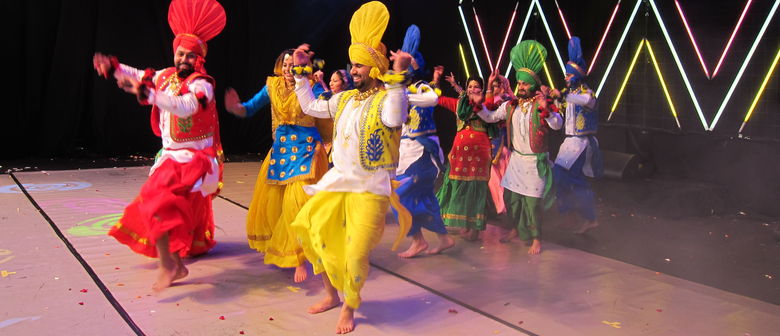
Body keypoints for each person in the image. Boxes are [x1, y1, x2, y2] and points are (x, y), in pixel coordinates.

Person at [288, 2, 413, 333]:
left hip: (370, 189)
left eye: (360, 65)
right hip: (338, 182)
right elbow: (312, 106)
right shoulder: (343, 99)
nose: (354, 70)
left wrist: (398, 79)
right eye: (352, 64)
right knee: (315, 235)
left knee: (356, 252)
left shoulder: (386, 99)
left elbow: (396, 117)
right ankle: (331, 294)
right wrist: (301, 73)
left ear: (374, 67)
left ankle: (349, 305)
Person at [95, 0, 226, 290]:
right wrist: (114, 68)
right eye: (180, 53)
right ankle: (175, 262)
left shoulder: (201, 84)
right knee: (156, 206)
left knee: (158, 202)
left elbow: (185, 107)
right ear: (174, 52)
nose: (184, 60)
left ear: (199, 59)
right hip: (170, 156)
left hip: (195, 158)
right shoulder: (165, 76)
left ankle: (171, 263)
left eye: (191, 56)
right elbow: (138, 74)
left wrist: (147, 94)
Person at [223, 49, 329, 283]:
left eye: (293, 65)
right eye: (285, 65)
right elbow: (249, 107)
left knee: (296, 204)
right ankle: (288, 248)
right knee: (277, 206)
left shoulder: (312, 85)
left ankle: (298, 259)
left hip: (307, 150)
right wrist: (237, 108)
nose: (288, 69)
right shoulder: (272, 86)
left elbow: (327, 110)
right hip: (280, 153)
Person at [477, 40, 563, 255]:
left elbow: (557, 124)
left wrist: (548, 111)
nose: (521, 87)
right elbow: (489, 117)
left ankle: (536, 239)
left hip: (535, 162)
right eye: (519, 84)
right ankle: (516, 228)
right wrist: (480, 98)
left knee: (533, 205)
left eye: (525, 84)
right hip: (516, 160)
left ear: (533, 85)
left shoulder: (541, 105)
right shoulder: (511, 105)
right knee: (511, 200)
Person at [394, 24, 455, 258]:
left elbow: (432, 98)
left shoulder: (422, 88)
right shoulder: (404, 89)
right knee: (426, 197)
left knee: (398, 197)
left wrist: (402, 91)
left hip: (422, 153)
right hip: (410, 151)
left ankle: (418, 239)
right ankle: (444, 238)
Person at [551, 36, 603, 234]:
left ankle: (587, 217)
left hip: (581, 145)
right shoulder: (568, 94)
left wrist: (562, 95)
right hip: (569, 144)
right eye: (565, 74)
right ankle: (572, 214)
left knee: (572, 179)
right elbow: (560, 119)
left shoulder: (588, 93)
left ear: (576, 75)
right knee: (560, 178)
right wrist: (550, 104)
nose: (565, 77)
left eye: (568, 74)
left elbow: (584, 101)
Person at [434, 69, 494, 241]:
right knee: (459, 187)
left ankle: (475, 228)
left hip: (479, 153)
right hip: (459, 154)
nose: (472, 89)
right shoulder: (460, 104)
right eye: (470, 86)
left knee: (476, 190)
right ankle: (464, 224)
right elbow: (439, 100)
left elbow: (489, 104)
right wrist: (437, 82)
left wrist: (489, 85)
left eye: (476, 87)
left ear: (481, 90)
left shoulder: (486, 105)